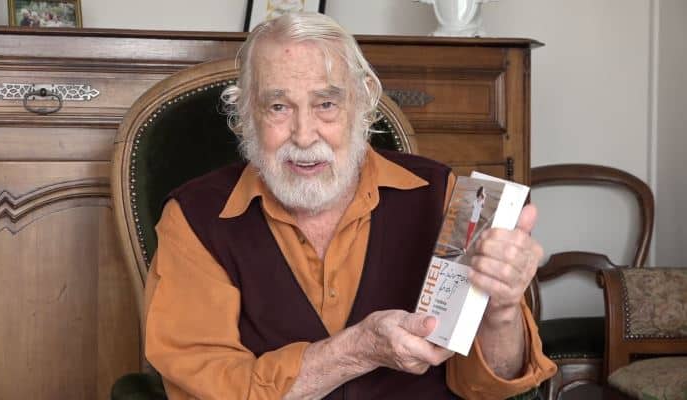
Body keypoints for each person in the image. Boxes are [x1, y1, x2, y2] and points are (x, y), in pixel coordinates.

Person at [144, 12, 556, 399]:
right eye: (278, 107)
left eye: (326, 104)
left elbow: (492, 385)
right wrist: (357, 349)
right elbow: (210, 386)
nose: (304, 135)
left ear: (362, 104)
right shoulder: (195, 219)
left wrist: (501, 310)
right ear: (246, 115)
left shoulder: (443, 195)